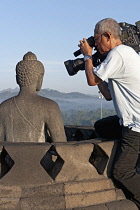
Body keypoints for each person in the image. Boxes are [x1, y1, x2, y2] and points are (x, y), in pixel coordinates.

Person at [78, 18, 140, 208]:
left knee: (121, 171)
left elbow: (91, 81)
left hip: (136, 125)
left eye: (96, 40)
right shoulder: (121, 55)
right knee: (101, 126)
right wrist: (96, 68)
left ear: (108, 35)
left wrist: (88, 57)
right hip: (128, 120)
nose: (95, 45)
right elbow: (107, 95)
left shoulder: (119, 53)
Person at [0, 52, 67, 143]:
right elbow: (61, 145)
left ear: (17, 79)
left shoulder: (3, 107)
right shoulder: (50, 106)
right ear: (40, 78)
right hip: (41, 157)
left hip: (9, 157)